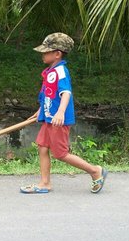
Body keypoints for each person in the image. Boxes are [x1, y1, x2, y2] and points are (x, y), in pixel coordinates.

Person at [20, 32, 108, 194]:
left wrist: (60, 112)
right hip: (49, 118)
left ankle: (95, 171)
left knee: (60, 154)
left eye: (45, 51)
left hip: (58, 120)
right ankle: (45, 183)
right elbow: (49, 95)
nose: (42, 54)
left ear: (57, 54)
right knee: (42, 147)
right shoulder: (50, 71)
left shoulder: (60, 71)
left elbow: (66, 92)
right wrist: (40, 111)